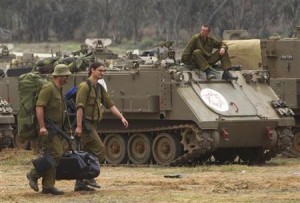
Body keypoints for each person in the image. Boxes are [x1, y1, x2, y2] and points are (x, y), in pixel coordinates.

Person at [74, 61, 128, 191]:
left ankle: (80, 182)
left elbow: (110, 104)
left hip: (93, 124)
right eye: (100, 70)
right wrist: (79, 126)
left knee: (87, 153)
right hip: (86, 125)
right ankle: (88, 177)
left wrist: (121, 117)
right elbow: (79, 107)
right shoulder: (84, 86)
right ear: (92, 70)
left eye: (104, 71)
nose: (102, 73)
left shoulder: (99, 88)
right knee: (100, 150)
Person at [26, 64, 72, 195]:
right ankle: (33, 174)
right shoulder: (49, 88)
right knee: (56, 154)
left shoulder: (59, 89)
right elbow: (39, 107)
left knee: (52, 155)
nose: (68, 77)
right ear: (58, 76)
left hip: (56, 128)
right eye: (66, 75)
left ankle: (48, 186)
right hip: (48, 128)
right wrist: (42, 127)